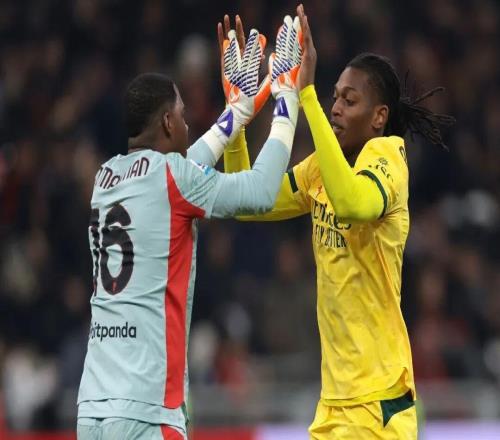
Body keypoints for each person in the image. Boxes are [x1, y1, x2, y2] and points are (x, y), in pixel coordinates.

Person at [223, 4, 455, 439]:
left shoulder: (388, 158)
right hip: (334, 404)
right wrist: (237, 119)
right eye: (335, 98)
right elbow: (246, 202)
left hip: (379, 401)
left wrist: (307, 95)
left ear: (379, 116)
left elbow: (351, 203)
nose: (336, 108)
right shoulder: (322, 168)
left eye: (350, 100)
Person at [76, 17, 302, 440]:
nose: (187, 123)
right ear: (167, 123)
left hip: (93, 407)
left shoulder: (106, 177)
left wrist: (236, 114)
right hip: (147, 410)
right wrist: (287, 99)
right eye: (182, 115)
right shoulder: (174, 179)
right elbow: (260, 191)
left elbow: (182, 170)